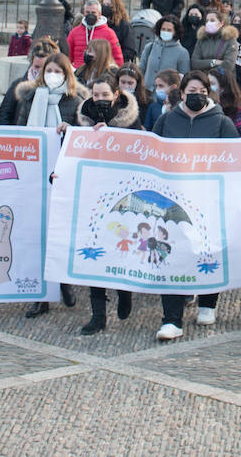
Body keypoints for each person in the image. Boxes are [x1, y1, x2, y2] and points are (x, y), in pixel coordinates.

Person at [152, 70, 239, 339]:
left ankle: (208, 301)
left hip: (209, 203)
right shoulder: (167, 121)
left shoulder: (222, 123)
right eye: (192, 91)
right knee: (172, 254)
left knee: (207, 251)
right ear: (181, 92)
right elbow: (150, 154)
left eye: (203, 92)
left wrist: (238, 197)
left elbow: (236, 164)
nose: (197, 96)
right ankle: (171, 319)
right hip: (172, 204)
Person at [74, 75, 141, 336]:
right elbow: (72, 153)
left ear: (115, 94)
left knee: (120, 250)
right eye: (96, 94)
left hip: (123, 199)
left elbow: (141, 151)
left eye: (105, 94)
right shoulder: (83, 119)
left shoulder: (131, 120)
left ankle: (124, 292)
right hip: (93, 196)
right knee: (95, 253)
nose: (100, 99)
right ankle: (98, 315)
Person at [66, 0, 124, 68]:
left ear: (99, 14)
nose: (90, 15)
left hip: (100, 73)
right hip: (78, 72)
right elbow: (67, 57)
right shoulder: (74, 32)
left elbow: (118, 59)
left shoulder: (109, 33)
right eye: (87, 12)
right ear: (84, 13)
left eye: (93, 13)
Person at [101, 0, 135, 64]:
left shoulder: (124, 26)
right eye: (104, 4)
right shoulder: (100, 24)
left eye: (108, 4)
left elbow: (129, 51)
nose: (105, 7)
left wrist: (113, 58)